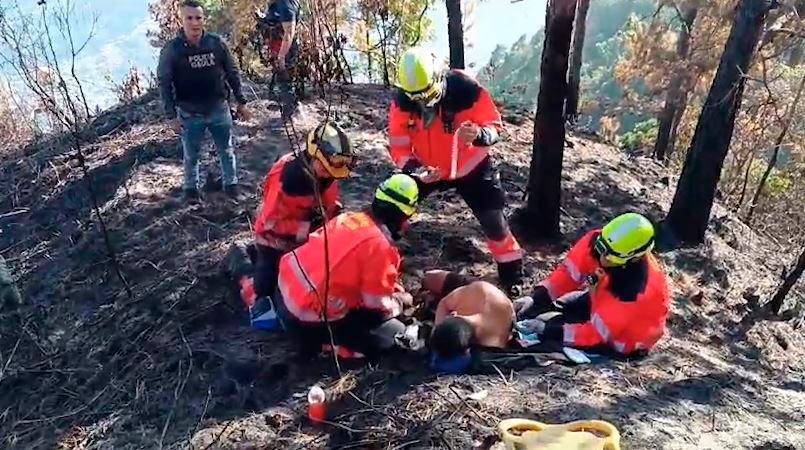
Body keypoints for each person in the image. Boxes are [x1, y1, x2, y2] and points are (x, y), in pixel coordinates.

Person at [388, 47, 524, 290]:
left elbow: (495, 127)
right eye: (416, 98)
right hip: (428, 169)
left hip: (471, 167)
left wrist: (480, 135)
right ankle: (383, 258)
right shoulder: (402, 102)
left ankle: (512, 275)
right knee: (393, 204)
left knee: (494, 222)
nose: (422, 103)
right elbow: (399, 145)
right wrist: (415, 170)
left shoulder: (466, 88)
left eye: (427, 95)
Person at [274, 174, 420, 359]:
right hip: (305, 319)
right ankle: (328, 347)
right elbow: (375, 304)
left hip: (282, 294)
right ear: (400, 217)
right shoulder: (380, 246)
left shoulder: (348, 218)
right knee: (393, 339)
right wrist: (399, 302)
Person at [515, 213, 670, 357]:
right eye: (602, 248)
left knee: (548, 341)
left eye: (611, 257)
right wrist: (537, 298)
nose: (602, 258)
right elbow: (569, 273)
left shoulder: (633, 293)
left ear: (634, 258)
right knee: (549, 308)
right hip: (600, 298)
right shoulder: (598, 241)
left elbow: (595, 335)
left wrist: (548, 331)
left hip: (623, 339)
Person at [158, 0, 251, 202]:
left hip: (219, 108)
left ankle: (231, 186)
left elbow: (232, 72)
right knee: (191, 155)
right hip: (190, 113)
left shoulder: (216, 43)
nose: (194, 23)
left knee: (226, 150)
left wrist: (241, 101)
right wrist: (170, 116)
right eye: (189, 18)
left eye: (198, 18)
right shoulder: (172, 50)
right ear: (181, 20)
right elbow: (164, 84)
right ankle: (191, 191)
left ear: (204, 19)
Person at [250, 122, 354, 304]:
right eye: (330, 165)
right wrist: (308, 224)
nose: (332, 172)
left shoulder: (327, 173)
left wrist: (332, 213)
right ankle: (242, 265)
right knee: (265, 289)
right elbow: (271, 222)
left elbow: (328, 200)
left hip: (309, 239)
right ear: (315, 154)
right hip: (275, 241)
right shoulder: (289, 180)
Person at [423, 270, 515, 374]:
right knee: (429, 277)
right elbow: (444, 303)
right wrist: (438, 325)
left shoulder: (494, 342)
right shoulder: (471, 293)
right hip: (476, 289)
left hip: (499, 303)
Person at [257, 0, 300, 119]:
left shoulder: (285, 4)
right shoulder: (276, 4)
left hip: (285, 50)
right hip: (277, 47)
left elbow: (289, 32)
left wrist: (281, 57)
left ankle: (288, 118)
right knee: (281, 81)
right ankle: (291, 110)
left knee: (284, 81)